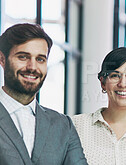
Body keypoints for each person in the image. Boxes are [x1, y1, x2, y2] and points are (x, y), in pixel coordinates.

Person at [0, 23, 87, 164]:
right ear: (2, 59)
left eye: (40, 59)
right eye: (23, 57)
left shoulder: (63, 125)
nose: (32, 67)